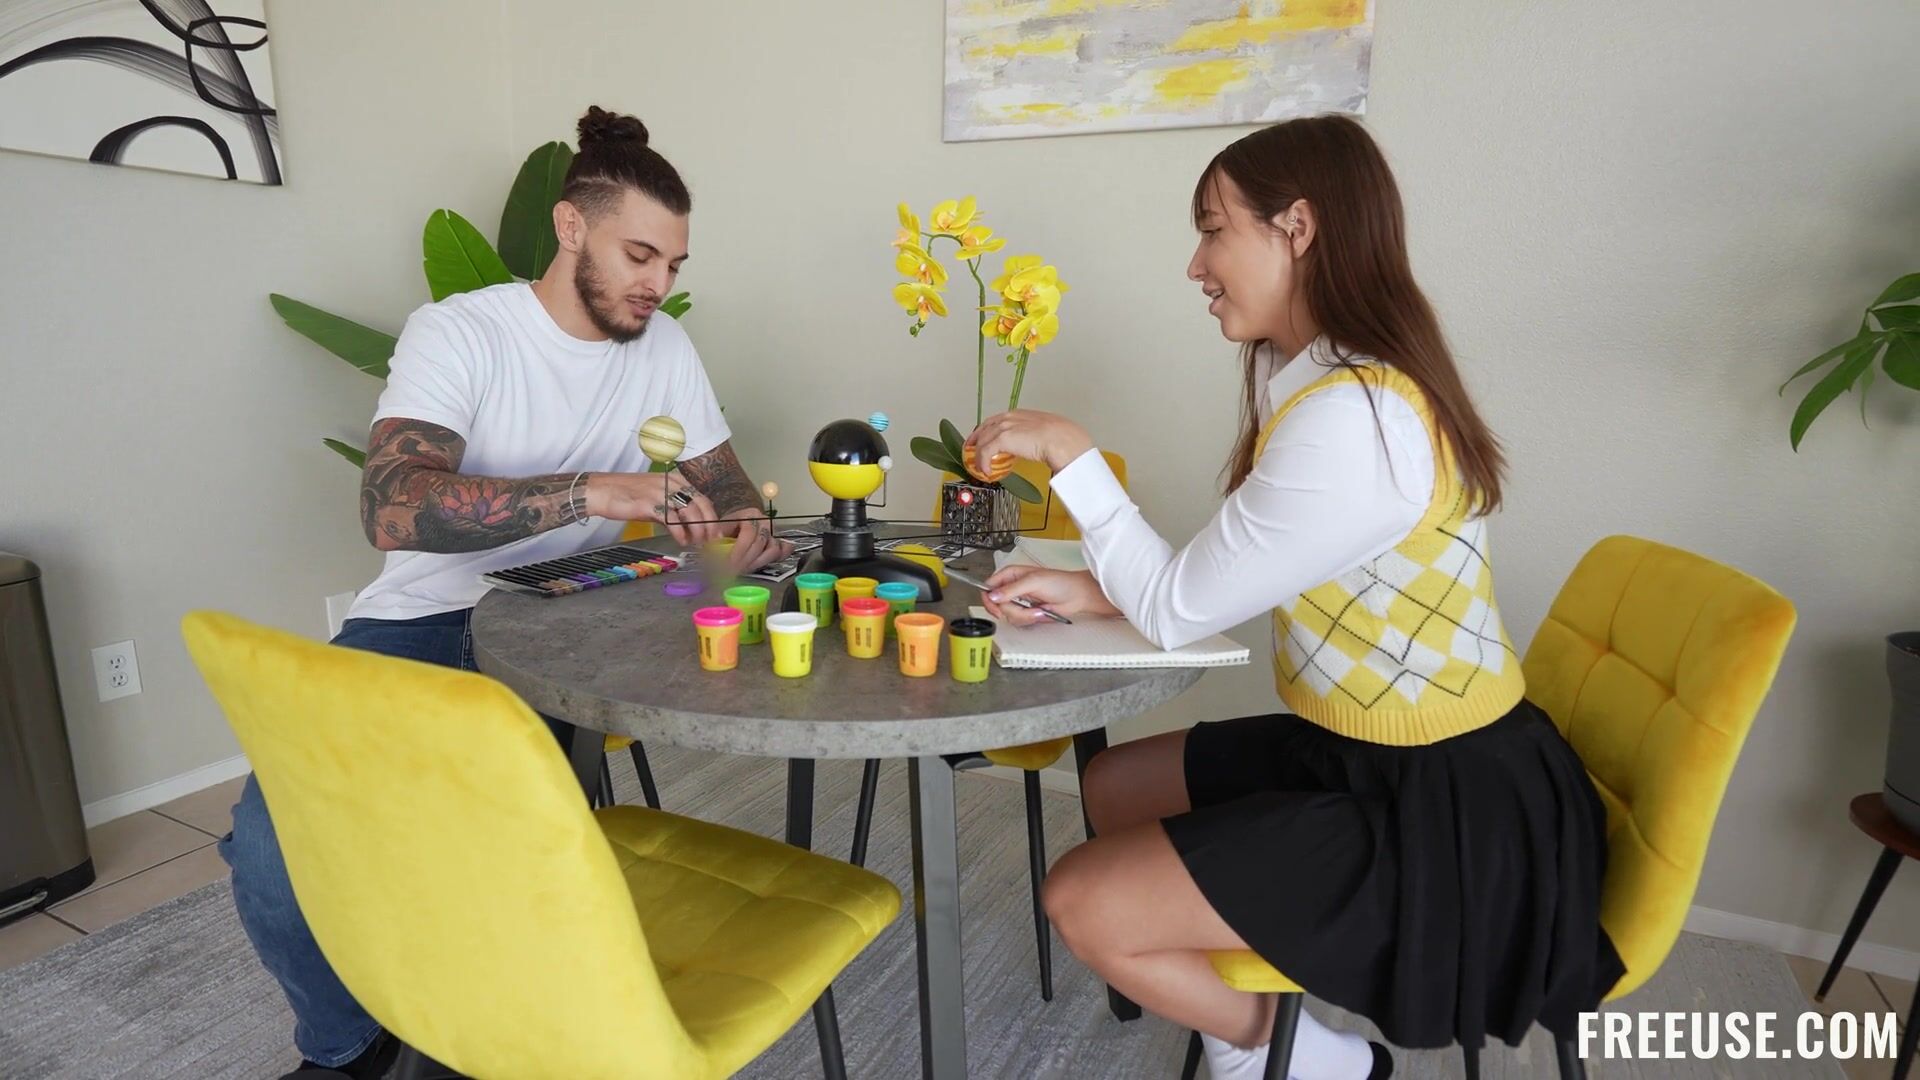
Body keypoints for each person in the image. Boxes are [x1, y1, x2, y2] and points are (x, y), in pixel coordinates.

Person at [965, 115, 1624, 1080]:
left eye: (1212, 230)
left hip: (1444, 804)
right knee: (1111, 786)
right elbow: (1238, 574)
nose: (1196, 265)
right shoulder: (1322, 380)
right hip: (1360, 747)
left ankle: (1303, 1058)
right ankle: (1243, 1001)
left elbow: (1182, 609)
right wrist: (1101, 590)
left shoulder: (1358, 416)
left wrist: (1071, 453)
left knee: (1080, 899)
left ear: (1298, 227)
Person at [220, 105, 791, 1079]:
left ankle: (494, 1030)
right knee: (270, 846)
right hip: (424, 617)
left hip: (565, 618)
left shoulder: (663, 349)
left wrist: (738, 522)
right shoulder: (460, 332)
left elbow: (730, 486)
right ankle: (346, 1050)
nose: (658, 285)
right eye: (640, 256)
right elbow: (392, 506)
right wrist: (592, 491)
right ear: (571, 226)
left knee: (492, 852)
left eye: (673, 266)